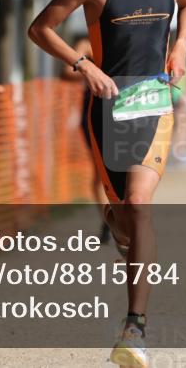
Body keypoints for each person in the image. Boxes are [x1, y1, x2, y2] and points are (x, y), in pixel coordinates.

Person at [27, 0, 186, 368]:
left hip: (156, 105)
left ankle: (134, 327)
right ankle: (117, 218)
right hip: (108, 112)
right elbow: (40, 28)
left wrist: (181, 44)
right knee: (126, 212)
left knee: (140, 205)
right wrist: (85, 67)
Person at [61, 35, 110, 243]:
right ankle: (107, 221)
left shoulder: (122, 31)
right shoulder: (85, 44)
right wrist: (89, 71)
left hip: (121, 106)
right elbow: (65, 74)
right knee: (99, 171)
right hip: (94, 110)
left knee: (124, 170)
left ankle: (125, 217)